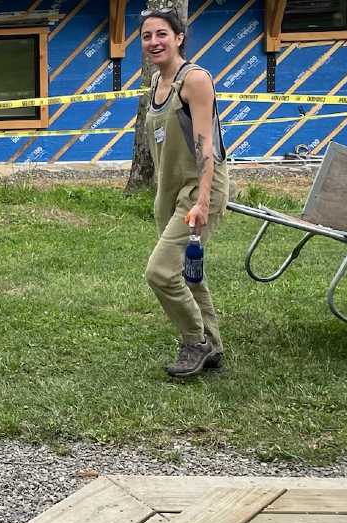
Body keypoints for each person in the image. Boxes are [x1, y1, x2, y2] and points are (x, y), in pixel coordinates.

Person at [136, 10, 234, 378]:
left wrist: (203, 202)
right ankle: (214, 348)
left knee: (160, 272)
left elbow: (206, 147)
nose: (154, 42)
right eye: (147, 36)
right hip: (170, 192)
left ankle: (196, 341)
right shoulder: (156, 85)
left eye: (162, 34)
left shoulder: (193, 80)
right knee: (189, 273)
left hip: (199, 188)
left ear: (179, 38)